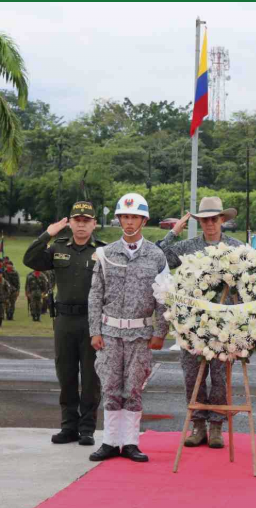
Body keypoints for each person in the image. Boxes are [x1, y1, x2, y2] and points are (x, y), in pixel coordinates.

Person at [155, 196, 244, 449]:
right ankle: (198, 425)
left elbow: (249, 283)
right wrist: (174, 232)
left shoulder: (237, 248)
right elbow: (157, 257)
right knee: (192, 377)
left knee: (219, 378)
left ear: (222, 220)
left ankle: (216, 426)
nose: (209, 225)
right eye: (204, 220)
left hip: (223, 326)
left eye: (214, 219)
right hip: (191, 326)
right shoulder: (188, 246)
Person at [87, 193, 169, 463]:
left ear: (144, 220)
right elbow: (95, 295)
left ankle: (131, 442)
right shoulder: (106, 254)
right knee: (110, 386)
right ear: (119, 219)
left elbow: (164, 297)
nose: (129, 222)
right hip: (110, 332)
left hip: (141, 335)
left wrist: (160, 332)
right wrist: (94, 331)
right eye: (125, 217)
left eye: (135, 217)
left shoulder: (156, 256)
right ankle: (110, 441)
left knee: (133, 388)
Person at [24, 201, 105, 446]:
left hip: (92, 322)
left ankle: (87, 429)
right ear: (69, 223)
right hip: (64, 321)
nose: (81, 225)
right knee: (66, 375)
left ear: (94, 224)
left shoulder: (103, 251)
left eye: (86, 221)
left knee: (91, 378)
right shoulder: (57, 247)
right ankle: (68, 427)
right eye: (77, 220)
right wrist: (48, 233)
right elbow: (30, 259)